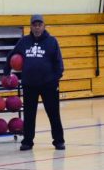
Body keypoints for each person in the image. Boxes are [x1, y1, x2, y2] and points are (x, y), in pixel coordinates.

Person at [4, 14, 65, 151]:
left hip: (49, 85)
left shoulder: (52, 42)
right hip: (29, 84)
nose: (37, 28)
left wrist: (54, 79)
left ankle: (59, 141)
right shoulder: (24, 41)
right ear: (31, 26)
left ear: (43, 26)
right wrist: (6, 72)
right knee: (29, 115)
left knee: (53, 114)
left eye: (39, 25)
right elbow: (11, 56)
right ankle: (27, 141)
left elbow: (59, 64)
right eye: (34, 25)